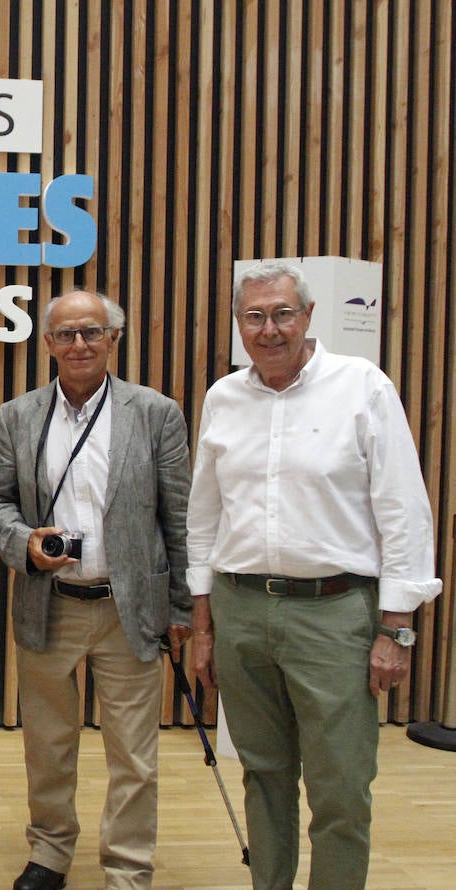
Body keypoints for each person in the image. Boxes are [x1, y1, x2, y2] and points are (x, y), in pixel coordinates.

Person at [186, 260, 441, 890]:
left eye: (282, 314)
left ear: (307, 316)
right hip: (240, 608)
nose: (269, 329)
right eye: (254, 316)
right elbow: (204, 516)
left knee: (340, 786)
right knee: (263, 774)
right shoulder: (224, 397)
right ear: (239, 324)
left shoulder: (362, 387)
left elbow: (403, 512)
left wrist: (397, 629)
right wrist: (202, 623)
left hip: (335, 614)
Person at [0, 289, 191, 890]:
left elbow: (179, 517)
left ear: (114, 340)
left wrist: (181, 608)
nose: (78, 344)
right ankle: (49, 854)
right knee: (48, 745)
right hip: (51, 605)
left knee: (134, 756)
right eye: (66, 334)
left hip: (130, 609)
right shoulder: (17, 416)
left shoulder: (155, 413)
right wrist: (24, 541)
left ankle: (127, 867)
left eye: (91, 333)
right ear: (46, 343)